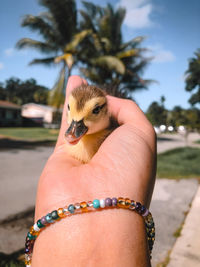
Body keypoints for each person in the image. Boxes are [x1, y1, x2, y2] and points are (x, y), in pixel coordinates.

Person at [32, 75, 156, 266]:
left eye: (95, 110)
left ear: (104, 111)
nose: (73, 128)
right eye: (70, 111)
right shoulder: (73, 137)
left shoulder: (114, 141)